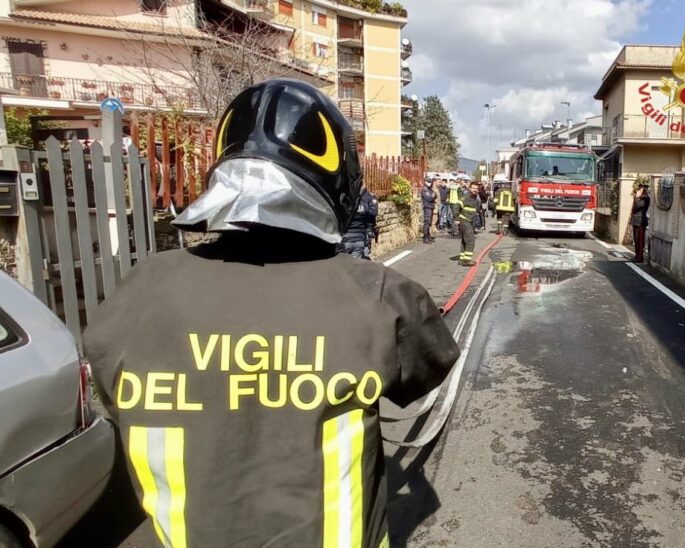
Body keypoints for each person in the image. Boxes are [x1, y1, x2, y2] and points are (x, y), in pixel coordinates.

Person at [83, 79, 460, 548]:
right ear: (339, 181)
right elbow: (428, 366)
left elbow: (111, 392)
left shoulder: (137, 295)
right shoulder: (381, 296)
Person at [341, 183, 378, 259]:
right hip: (360, 238)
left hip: (345, 239)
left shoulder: (343, 198)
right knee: (359, 263)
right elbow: (373, 214)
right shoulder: (367, 198)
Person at [458, 181, 480, 266]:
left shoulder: (474, 197)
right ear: (469, 188)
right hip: (465, 221)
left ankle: (462, 259)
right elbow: (456, 206)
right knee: (470, 241)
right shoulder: (466, 197)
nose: (475, 190)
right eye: (473, 188)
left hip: (469, 221)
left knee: (465, 240)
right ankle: (466, 261)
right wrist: (456, 218)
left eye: (476, 188)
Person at [631, 181, 651, 262]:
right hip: (636, 221)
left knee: (640, 240)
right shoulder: (640, 197)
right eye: (640, 187)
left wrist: (636, 197)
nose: (639, 189)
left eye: (641, 187)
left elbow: (637, 206)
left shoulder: (645, 198)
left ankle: (640, 257)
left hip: (641, 221)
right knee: (636, 239)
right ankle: (636, 255)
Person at [421, 177, 437, 244]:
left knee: (429, 223)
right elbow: (429, 198)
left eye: (430, 182)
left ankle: (428, 235)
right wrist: (433, 196)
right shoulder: (425, 189)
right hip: (427, 207)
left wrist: (433, 196)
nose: (429, 183)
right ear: (425, 181)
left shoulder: (429, 189)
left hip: (430, 207)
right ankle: (425, 237)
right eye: (428, 182)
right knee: (427, 222)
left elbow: (435, 195)